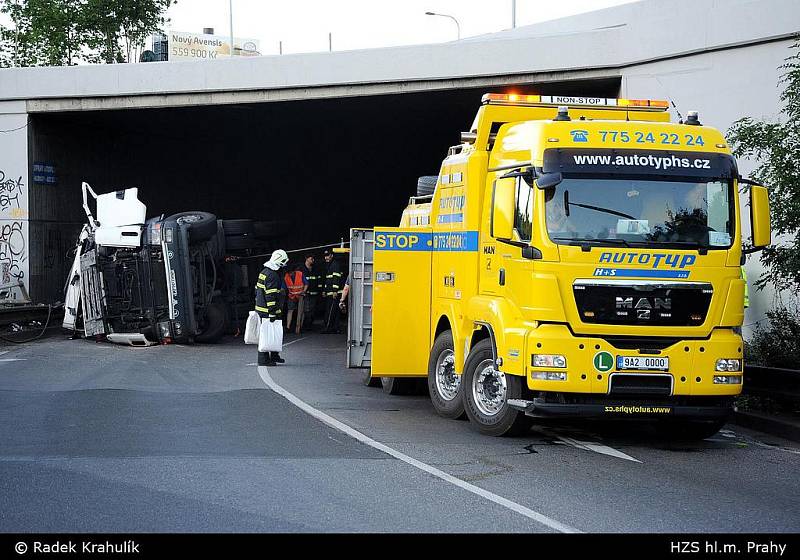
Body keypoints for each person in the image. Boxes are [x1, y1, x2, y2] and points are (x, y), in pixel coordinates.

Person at [255, 249, 289, 366]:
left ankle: (274, 356)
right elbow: (270, 296)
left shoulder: (264, 272)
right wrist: (272, 313)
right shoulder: (272, 276)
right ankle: (263, 360)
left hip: (262, 309)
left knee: (273, 333)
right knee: (266, 336)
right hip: (267, 311)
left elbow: (258, 291)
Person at [321, 249, 344, 333]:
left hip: (334, 293)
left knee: (330, 311)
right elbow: (328, 280)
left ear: (332, 256)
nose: (326, 257)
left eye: (328, 256)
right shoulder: (330, 265)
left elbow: (336, 278)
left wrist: (335, 291)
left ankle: (328, 328)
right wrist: (324, 290)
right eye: (325, 256)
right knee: (335, 311)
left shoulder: (334, 265)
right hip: (331, 292)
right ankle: (336, 328)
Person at [284, 264, 308, 334]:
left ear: (294, 271)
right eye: (289, 273)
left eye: (291, 272)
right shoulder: (286, 276)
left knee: (301, 311)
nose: (290, 274)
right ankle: (288, 327)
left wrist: (304, 291)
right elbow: (284, 287)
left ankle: (300, 326)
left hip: (300, 295)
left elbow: (306, 283)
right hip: (291, 296)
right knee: (290, 310)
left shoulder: (300, 274)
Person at [301, 254, 319, 331]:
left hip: (314, 293)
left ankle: (310, 325)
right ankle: (305, 325)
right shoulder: (301, 269)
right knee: (306, 310)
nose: (313, 260)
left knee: (312, 310)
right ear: (306, 259)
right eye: (311, 259)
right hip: (305, 293)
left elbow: (318, 280)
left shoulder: (315, 269)